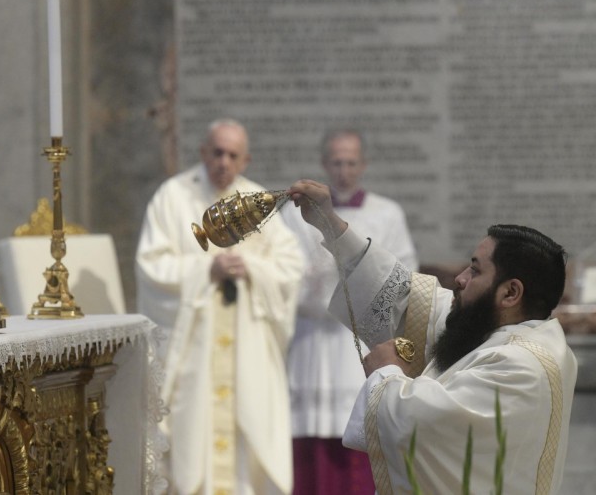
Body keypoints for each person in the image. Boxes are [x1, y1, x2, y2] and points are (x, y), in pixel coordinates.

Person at [287, 179, 577, 494]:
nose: (460, 279)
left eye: (476, 271)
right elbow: (401, 297)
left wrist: (386, 374)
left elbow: (422, 426)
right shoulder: (490, 329)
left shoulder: (523, 364)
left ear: (510, 293)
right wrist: (329, 223)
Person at [136, 119, 303, 494]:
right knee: (192, 429)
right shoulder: (172, 197)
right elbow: (151, 265)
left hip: (248, 343)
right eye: (217, 152)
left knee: (250, 423)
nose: (224, 162)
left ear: (246, 160)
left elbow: (291, 267)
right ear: (202, 153)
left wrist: (252, 268)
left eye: (232, 155)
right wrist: (205, 269)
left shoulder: (257, 200)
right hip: (195, 345)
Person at [280, 130, 417, 494]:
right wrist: (319, 277)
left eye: (351, 162)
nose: (344, 171)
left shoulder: (386, 213)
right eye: (337, 162)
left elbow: (402, 277)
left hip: (361, 340)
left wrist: (357, 278)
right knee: (309, 446)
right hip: (311, 340)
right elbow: (282, 273)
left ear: (363, 164)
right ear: (325, 164)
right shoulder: (294, 216)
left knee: (361, 434)